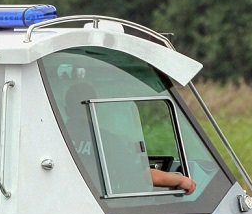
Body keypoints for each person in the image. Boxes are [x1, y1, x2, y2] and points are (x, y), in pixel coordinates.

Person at [61, 82, 196, 195]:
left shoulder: (58, 137)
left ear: (67, 110)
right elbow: (144, 176)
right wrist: (181, 181)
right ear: (95, 109)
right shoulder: (106, 142)